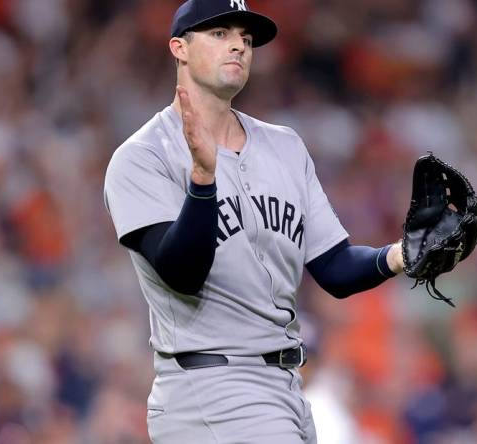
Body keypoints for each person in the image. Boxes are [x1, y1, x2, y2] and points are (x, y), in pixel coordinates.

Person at [103, 1, 406, 442]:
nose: (239, 47)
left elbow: (335, 268)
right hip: (211, 386)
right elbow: (182, 274)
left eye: (246, 40)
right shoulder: (142, 157)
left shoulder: (284, 146)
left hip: (287, 388)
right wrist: (203, 180)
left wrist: (402, 255)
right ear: (179, 48)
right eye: (220, 34)